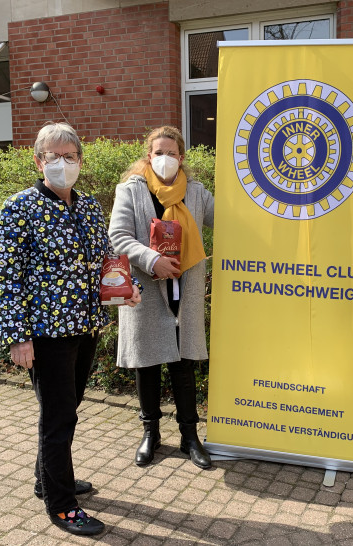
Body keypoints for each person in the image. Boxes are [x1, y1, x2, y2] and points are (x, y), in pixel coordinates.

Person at [0, 122, 141, 536]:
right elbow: (7, 277)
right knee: (58, 418)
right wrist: (17, 336)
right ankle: (61, 505)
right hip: (45, 332)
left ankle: (48, 479)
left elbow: (106, 260)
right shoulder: (19, 207)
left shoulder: (89, 206)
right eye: (52, 156)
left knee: (66, 410)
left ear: (80, 160)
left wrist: (125, 291)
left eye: (69, 156)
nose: (62, 163)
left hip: (85, 327)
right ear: (39, 161)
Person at [109, 126, 214, 470]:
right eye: (159, 152)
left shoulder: (197, 193)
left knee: (184, 365)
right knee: (148, 364)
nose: (165, 158)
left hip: (185, 291)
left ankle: (189, 437)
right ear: (148, 156)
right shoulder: (130, 190)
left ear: (181, 157)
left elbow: (230, 219)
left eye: (172, 153)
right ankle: (150, 434)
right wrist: (152, 259)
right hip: (147, 290)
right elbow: (118, 236)